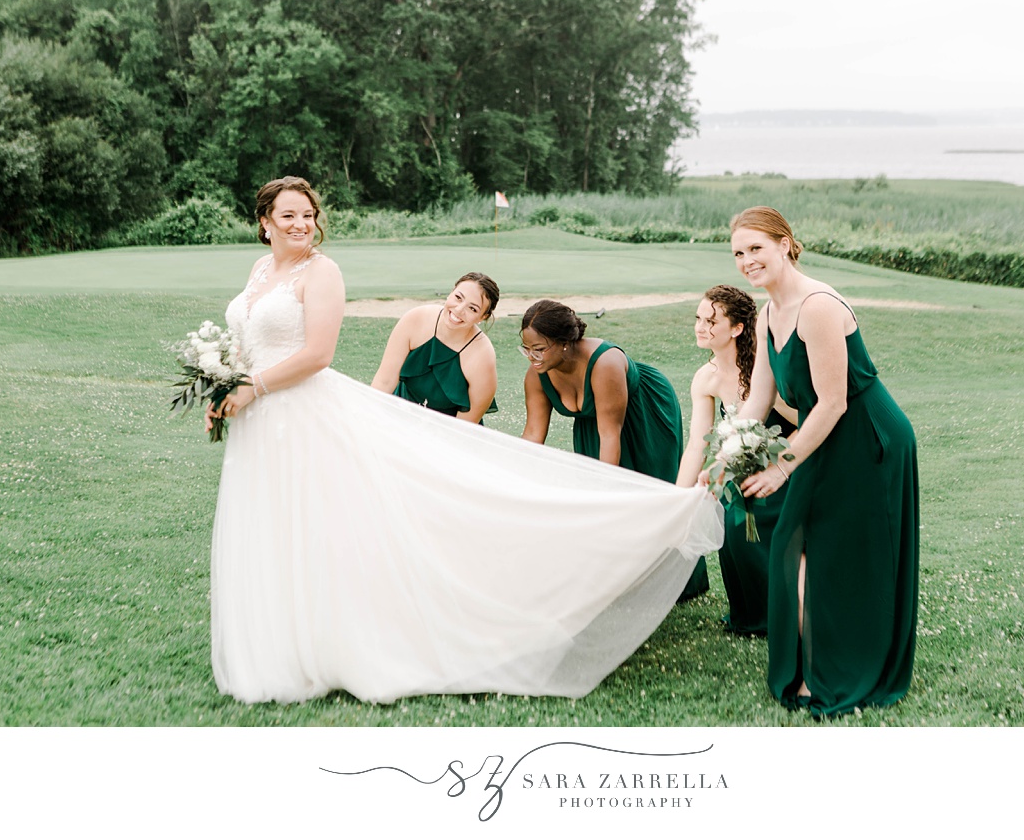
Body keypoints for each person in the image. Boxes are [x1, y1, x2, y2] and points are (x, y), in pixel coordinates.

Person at [204, 177, 722, 705]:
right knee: (272, 521)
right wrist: (225, 389)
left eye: (308, 214)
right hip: (272, 415)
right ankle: (280, 634)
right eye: (288, 215)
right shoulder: (262, 271)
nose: (300, 224)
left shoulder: (333, 277)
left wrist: (255, 389)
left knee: (327, 520)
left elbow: (324, 356)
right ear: (264, 221)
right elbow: (371, 382)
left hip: (327, 413)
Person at [729, 206, 919, 716]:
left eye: (756, 248)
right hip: (823, 436)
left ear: (786, 243)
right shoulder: (767, 312)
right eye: (739, 253)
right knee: (797, 546)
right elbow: (758, 400)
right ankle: (814, 666)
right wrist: (726, 453)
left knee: (844, 552)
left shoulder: (817, 306)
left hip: (866, 437)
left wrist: (781, 466)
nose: (747, 260)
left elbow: (833, 401)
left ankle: (841, 668)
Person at [520, 300, 710, 604]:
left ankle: (679, 583)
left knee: (652, 494)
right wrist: (512, 473)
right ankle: (624, 580)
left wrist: (605, 491)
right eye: (525, 348)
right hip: (592, 426)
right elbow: (532, 433)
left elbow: (610, 434)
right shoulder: (537, 375)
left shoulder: (604, 362)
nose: (531, 356)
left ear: (564, 344)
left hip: (645, 414)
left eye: (539, 348)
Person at [675, 285, 798, 636]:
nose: (701, 327)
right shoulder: (706, 377)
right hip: (740, 465)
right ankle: (750, 615)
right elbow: (697, 446)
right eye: (698, 318)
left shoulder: (767, 368)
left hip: (790, 459)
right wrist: (679, 499)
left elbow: (804, 420)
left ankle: (782, 614)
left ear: (738, 328)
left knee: (763, 517)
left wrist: (776, 460)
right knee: (732, 523)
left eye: (712, 321)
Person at [369, 273, 500, 422]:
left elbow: (466, 424)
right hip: (399, 414)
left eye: (473, 308)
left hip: (448, 430)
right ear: (451, 292)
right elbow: (384, 382)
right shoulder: (415, 319)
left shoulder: (483, 357)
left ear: (483, 317)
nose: (459, 310)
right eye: (458, 297)